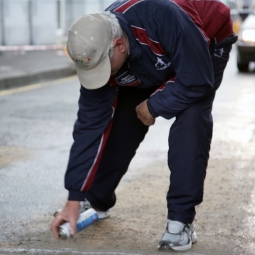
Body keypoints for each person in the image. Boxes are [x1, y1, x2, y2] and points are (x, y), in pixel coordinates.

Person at [51, 0, 237, 251]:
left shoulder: (163, 17)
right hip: (149, 51)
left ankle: (180, 221)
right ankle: (96, 200)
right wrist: (74, 196)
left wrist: (153, 105)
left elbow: (196, 81)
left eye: (103, 68)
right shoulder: (96, 43)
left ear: (118, 45)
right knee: (125, 121)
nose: (101, 76)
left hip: (203, 41)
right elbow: (88, 126)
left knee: (191, 118)